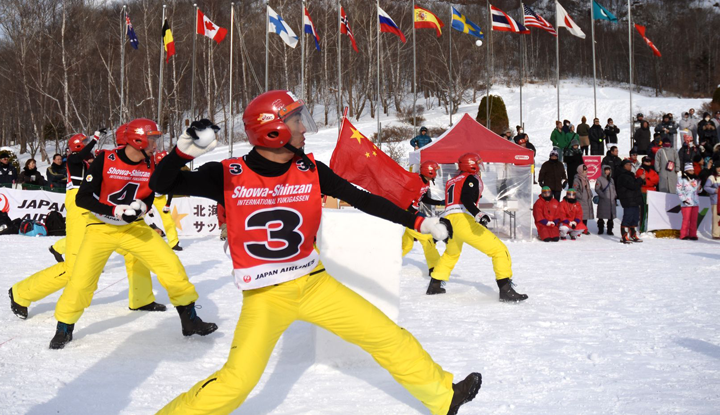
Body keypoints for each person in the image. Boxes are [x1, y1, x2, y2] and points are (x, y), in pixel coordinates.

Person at [151, 92, 482, 415]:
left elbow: (363, 198)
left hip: (314, 283)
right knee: (237, 382)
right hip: (266, 294)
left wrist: (418, 221)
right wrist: (181, 154)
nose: (305, 128)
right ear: (273, 129)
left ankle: (443, 396)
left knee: (387, 336)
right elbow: (162, 184)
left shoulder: (311, 168)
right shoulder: (227, 173)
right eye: (297, 121)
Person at [46, 119, 217, 350]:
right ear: (137, 139)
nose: (155, 145)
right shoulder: (105, 160)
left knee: (171, 266)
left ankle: (190, 320)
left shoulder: (150, 165)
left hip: (133, 227)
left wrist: (142, 208)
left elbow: (148, 195)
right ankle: (64, 325)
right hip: (101, 228)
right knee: (82, 282)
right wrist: (114, 210)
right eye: (152, 140)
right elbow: (82, 198)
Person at [8, 129, 167, 323]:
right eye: (84, 141)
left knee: (136, 253)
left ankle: (142, 298)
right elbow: (84, 158)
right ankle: (21, 293)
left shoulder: (107, 161)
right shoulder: (75, 158)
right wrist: (96, 139)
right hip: (80, 207)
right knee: (75, 268)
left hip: (105, 210)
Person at [426, 152, 527, 303]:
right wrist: (478, 214)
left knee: (451, 254)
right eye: (478, 163)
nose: (480, 166)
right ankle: (505, 289)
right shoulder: (470, 178)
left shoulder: (453, 180)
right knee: (499, 250)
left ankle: (434, 285)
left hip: (449, 220)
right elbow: (466, 198)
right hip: (462, 220)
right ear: (471, 165)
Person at [401, 160, 445, 275]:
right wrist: (413, 213)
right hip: (408, 214)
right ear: (429, 172)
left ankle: (388, 261)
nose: (436, 173)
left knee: (406, 245)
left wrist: (439, 202)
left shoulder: (426, 182)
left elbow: (424, 199)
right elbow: (404, 197)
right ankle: (435, 268)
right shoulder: (416, 180)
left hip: (412, 213)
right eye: (435, 171)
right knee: (427, 239)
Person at [151, 151, 183, 252]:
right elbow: (143, 187)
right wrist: (148, 207)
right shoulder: (150, 169)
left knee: (168, 219)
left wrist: (168, 204)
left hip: (160, 197)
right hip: (147, 196)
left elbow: (171, 188)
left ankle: (173, 242)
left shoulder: (170, 172)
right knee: (137, 218)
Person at [616, 160, 645, 244]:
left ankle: (633, 234)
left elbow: (635, 185)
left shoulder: (629, 174)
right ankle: (624, 236)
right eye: (628, 165)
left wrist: (640, 180)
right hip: (628, 199)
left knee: (635, 218)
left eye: (630, 165)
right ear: (624, 165)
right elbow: (632, 185)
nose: (630, 166)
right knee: (627, 218)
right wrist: (640, 179)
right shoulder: (622, 175)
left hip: (634, 199)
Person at [703, 163, 720, 240]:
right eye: (718, 168)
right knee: (716, 218)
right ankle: (716, 234)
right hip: (716, 200)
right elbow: (706, 187)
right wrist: (715, 190)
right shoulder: (712, 177)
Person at [676, 163, 700, 240]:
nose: (692, 172)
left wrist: (700, 189)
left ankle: (693, 234)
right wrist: (683, 199)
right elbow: (678, 190)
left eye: (692, 170)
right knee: (686, 219)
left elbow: (696, 190)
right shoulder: (681, 179)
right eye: (690, 170)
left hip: (695, 202)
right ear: (686, 171)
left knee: (694, 219)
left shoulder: (695, 179)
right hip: (687, 202)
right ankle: (683, 234)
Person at [595, 164, 616, 236]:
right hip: (603, 200)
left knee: (611, 216)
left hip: (611, 200)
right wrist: (603, 196)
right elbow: (597, 189)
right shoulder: (599, 179)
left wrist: (614, 195)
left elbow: (613, 189)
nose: (608, 171)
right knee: (601, 215)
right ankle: (600, 229)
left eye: (609, 170)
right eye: (606, 170)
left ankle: (610, 230)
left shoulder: (611, 179)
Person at [573, 164, 594, 234]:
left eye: (586, 169)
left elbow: (588, 188)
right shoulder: (577, 179)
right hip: (581, 200)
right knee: (581, 215)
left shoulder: (586, 178)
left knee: (586, 214)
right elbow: (574, 190)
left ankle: (584, 228)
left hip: (587, 199)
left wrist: (590, 194)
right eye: (584, 170)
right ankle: (580, 228)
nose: (586, 171)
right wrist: (581, 196)